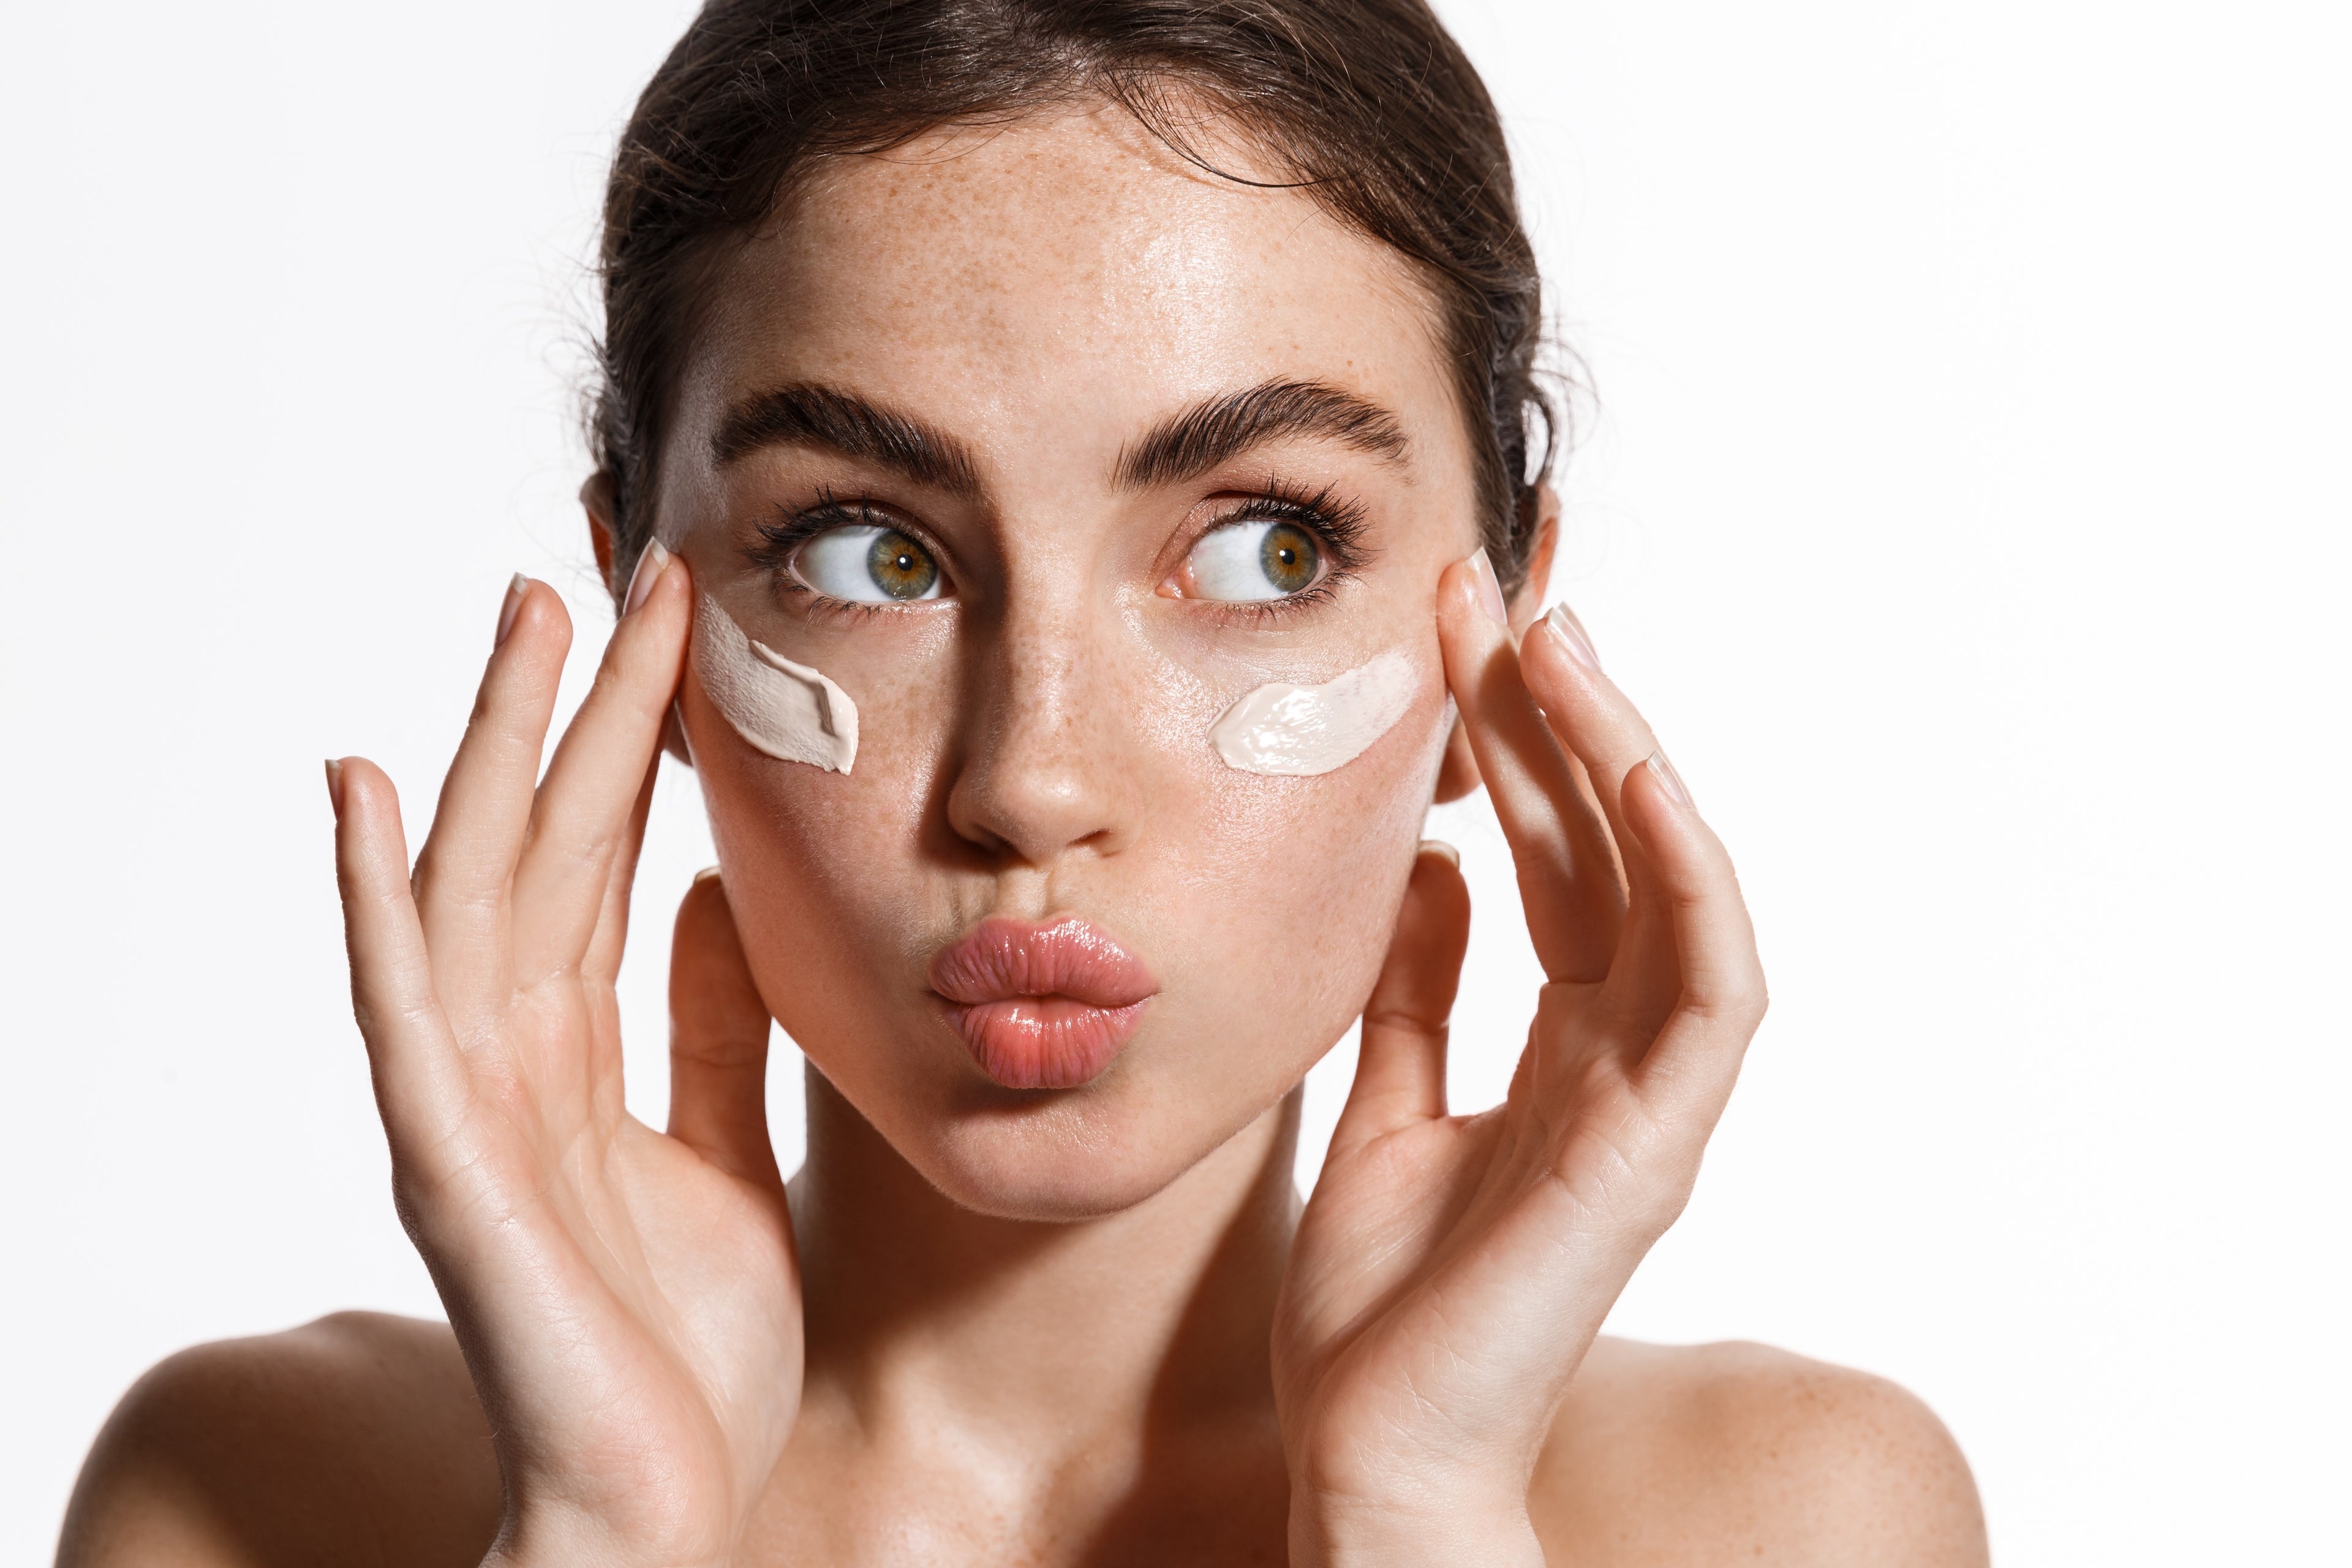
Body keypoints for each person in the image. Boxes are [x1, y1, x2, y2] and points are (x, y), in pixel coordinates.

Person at [56, 2, 1988, 1562]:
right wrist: (604, 1536)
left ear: (1507, 637)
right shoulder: (264, 1504)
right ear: (640, 612)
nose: (1031, 777)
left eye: (1268, 552)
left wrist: (1417, 1518)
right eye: (868, 553)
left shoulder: (1787, 1520)